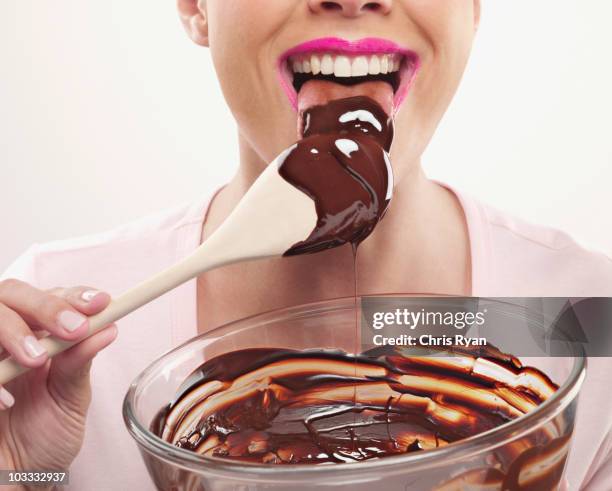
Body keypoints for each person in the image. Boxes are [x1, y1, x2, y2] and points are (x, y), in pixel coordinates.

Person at [1, 1, 611, 489]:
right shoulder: (52, 343)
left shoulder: (588, 319)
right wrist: (21, 472)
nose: (350, 0)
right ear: (195, 6)